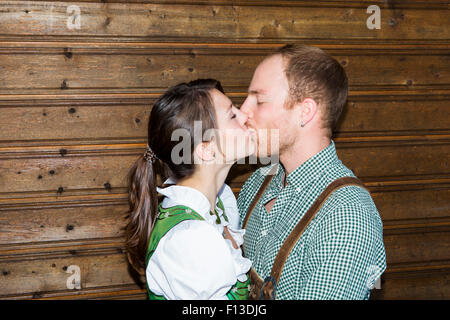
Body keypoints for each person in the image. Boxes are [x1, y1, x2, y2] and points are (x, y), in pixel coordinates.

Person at [237, 44, 386, 299]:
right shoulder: (258, 182)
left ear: (305, 111)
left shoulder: (346, 215)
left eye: (259, 100)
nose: (242, 112)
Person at [124, 79, 257, 299]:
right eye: (232, 115)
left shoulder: (221, 201)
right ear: (206, 150)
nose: (245, 116)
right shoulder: (190, 238)